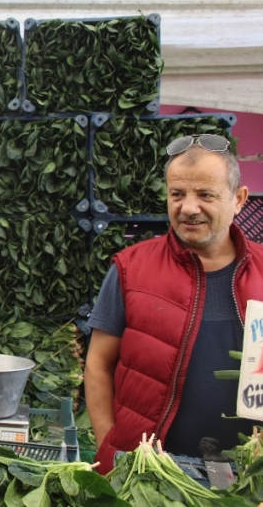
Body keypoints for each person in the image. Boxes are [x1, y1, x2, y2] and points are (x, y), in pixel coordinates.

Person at [85, 134, 263, 473]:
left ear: (239, 199)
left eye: (205, 195)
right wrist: (109, 448)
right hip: (150, 473)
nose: (188, 208)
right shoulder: (130, 268)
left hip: (248, 478)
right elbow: (98, 364)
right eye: (177, 194)